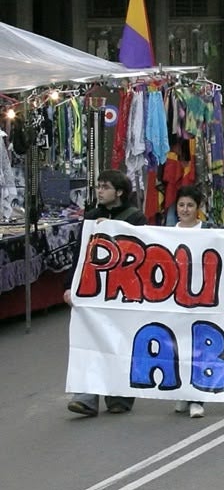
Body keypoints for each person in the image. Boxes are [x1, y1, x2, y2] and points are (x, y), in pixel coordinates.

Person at [66, 170, 148, 418]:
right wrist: (70, 286)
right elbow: (80, 255)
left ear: (119, 192)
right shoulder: (91, 218)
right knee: (90, 340)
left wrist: (115, 228)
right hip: (94, 290)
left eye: (105, 187)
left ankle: (119, 396)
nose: (100, 191)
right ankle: (86, 397)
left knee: (120, 341)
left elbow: (143, 251)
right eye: (99, 186)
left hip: (123, 290)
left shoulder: (135, 218)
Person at [173, 185, 211, 418]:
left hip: (203, 300)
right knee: (177, 348)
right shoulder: (165, 233)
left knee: (199, 349)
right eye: (181, 205)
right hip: (174, 300)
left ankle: (198, 398)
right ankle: (181, 392)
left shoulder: (209, 231)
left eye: (190, 205)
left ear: (198, 209)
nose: (185, 209)